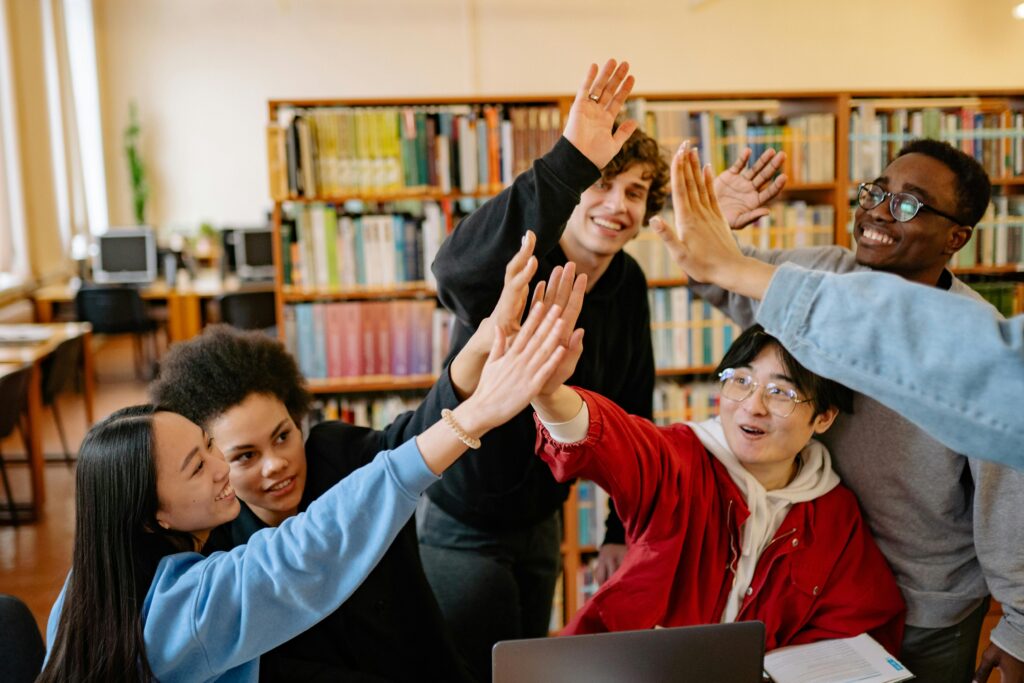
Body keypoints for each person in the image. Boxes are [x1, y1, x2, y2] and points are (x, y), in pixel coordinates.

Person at [421, 59, 785, 676]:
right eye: (602, 184)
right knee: (469, 668)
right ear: (573, 188)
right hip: (462, 517)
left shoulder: (629, 282)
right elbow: (452, 275)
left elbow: (631, 407)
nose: (617, 205)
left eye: (636, 192)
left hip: (540, 519)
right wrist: (569, 161)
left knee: (521, 667)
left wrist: (619, 530)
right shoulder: (521, 255)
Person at [38, 298, 572, 683]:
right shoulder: (197, 600)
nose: (223, 469)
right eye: (205, 464)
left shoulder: (94, 588)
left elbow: (400, 443)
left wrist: (471, 364)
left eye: (208, 447)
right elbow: (305, 551)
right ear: (153, 516)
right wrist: (475, 416)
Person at [653, 142, 1024, 683]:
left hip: (923, 604)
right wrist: (719, 232)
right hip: (813, 581)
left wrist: (1017, 626)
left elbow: (1006, 500)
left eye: (907, 205)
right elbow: (724, 281)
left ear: (956, 237)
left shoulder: (967, 339)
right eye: (877, 192)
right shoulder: (822, 270)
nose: (876, 210)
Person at [528, 321, 905, 652]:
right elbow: (614, 438)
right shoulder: (680, 458)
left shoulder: (833, 513)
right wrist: (551, 395)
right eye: (740, 381)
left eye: (780, 392)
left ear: (823, 418)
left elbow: (857, 626)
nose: (752, 406)